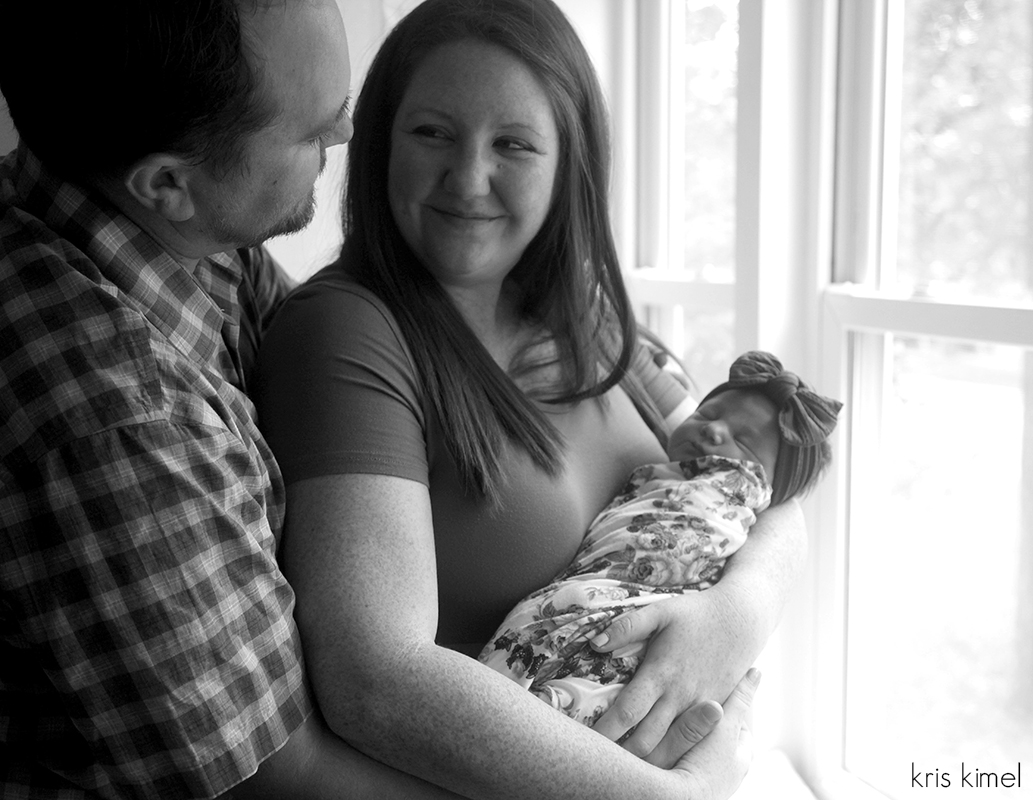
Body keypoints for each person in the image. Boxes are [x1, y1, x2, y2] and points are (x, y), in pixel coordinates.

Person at [251, 0, 803, 798]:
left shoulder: (585, 313)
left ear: (566, 162)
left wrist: (733, 618)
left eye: (513, 144)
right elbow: (375, 677)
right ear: (378, 146)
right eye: (432, 133)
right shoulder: (345, 331)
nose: (468, 178)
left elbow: (766, 488)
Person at [0, 2, 479, 797]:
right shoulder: (116, 421)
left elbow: (336, 356)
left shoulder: (179, 236)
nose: (345, 138)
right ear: (167, 182)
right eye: (310, 131)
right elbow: (282, 777)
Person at [479, 351, 842, 726]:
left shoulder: (616, 343)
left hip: (656, 629)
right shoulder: (657, 478)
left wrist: (737, 612)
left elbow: (783, 508)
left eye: (744, 443)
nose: (713, 430)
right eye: (707, 414)